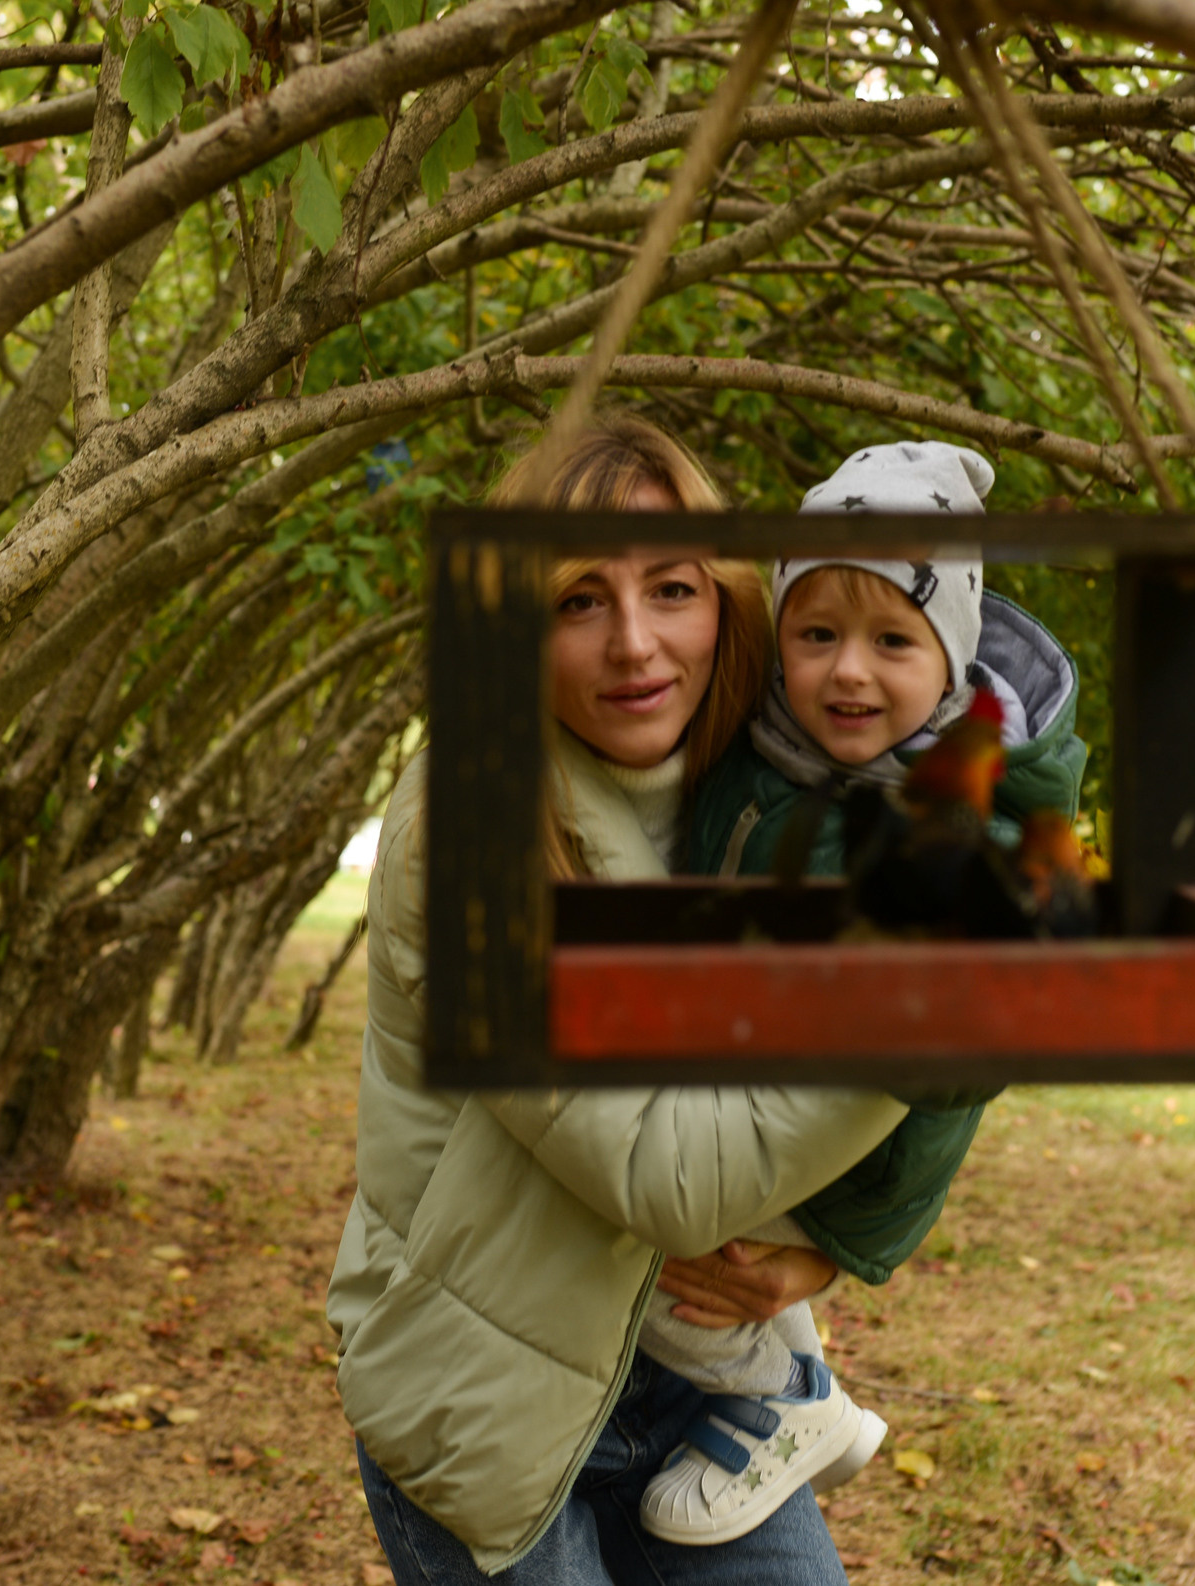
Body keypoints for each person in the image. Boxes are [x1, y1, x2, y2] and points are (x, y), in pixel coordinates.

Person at [330, 415, 906, 1584]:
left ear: (727, 601)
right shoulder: (469, 823)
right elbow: (669, 1177)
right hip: (486, 1402)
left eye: (672, 589)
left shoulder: (757, 791)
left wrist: (832, 1252)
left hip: (711, 1394)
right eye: (577, 601)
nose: (635, 643)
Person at [643, 441, 1088, 1541]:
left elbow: (959, 1083)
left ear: (954, 656)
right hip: (734, 1098)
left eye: (894, 640)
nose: (848, 672)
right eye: (818, 635)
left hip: (826, 1149)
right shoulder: (768, 753)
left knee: (656, 1265)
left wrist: (839, 1252)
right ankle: (798, 1395)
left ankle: (786, 1401)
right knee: (707, 1259)